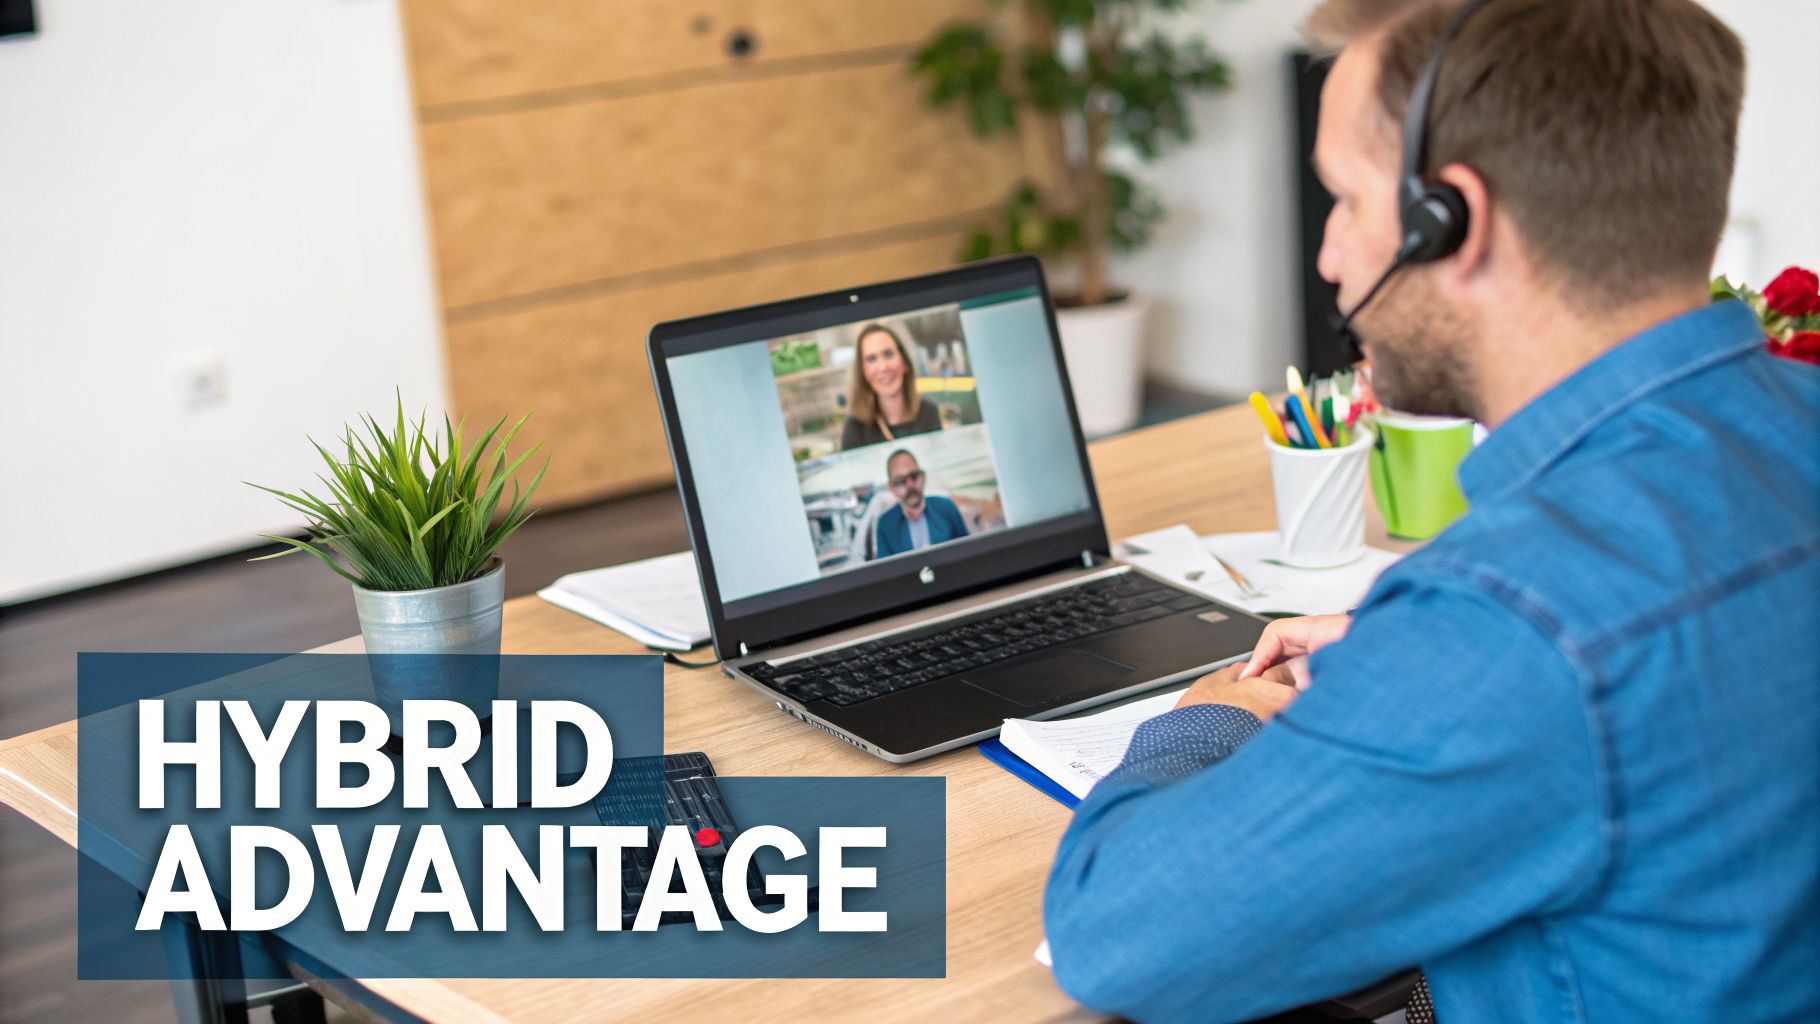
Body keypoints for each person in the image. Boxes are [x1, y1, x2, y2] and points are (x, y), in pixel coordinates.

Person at [1041, 2, 1820, 1022]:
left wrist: (1208, 721)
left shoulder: (1516, 625)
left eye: (1343, 201)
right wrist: (1412, 659)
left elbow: (1108, 934)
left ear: (1448, 222)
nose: (1326, 256)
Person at [840, 323, 943, 449]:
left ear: (904, 362)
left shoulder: (928, 412)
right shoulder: (855, 427)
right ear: (863, 372)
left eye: (888, 354)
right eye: (872, 359)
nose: (883, 367)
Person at [872, 450, 968, 559]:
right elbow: (886, 570)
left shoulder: (946, 507)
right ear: (891, 487)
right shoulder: (886, 524)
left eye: (913, 476)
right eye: (900, 480)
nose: (910, 485)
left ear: (922, 477)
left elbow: (968, 552)